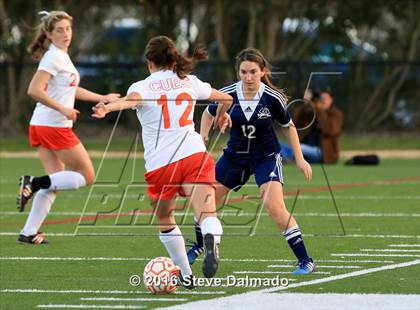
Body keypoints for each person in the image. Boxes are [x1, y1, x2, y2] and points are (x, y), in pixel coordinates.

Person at [91, 36, 233, 283]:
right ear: (172, 59)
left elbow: (129, 101)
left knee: (165, 217)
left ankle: (186, 275)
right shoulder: (189, 81)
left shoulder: (143, 86)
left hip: (161, 165)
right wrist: (221, 118)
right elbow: (226, 98)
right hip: (193, 155)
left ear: (149, 62)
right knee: (206, 213)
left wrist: (107, 107)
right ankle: (211, 241)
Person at [187, 47, 315, 275]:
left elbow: (289, 127)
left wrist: (300, 158)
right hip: (234, 156)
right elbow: (208, 112)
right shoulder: (227, 94)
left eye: (253, 72)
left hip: (265, 157)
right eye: (243, 72)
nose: (248, 77)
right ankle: (199, 246)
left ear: (262, 71)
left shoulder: (272, 98)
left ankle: (306, 261)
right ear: (238, 72)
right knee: (204, 199)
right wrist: (203, 137)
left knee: (274, 207)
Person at [17, 11, 120, 244]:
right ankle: (33, 182)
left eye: (68, 29)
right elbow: (34, 90)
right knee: (87, 175)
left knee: (55, 181)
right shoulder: (53, 58)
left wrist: (100, 97)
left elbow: (70, 90)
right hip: (53, 126)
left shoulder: (61, 56)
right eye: (60, 30)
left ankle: (29, 232)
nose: (66, 33)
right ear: (49, 35)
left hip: (43, 125)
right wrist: (63, 110)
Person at [281, 89, 344, 163]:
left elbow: (330, 130)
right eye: (321, 98)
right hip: (305, 149)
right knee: (279, 144)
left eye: (325, 98)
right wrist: (307, 103)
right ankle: (286, 159)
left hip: (323, 153)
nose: (322, 101)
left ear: (331, 100)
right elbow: (294, 121)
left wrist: (318, 109)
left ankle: (287, 159)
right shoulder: (312, 112)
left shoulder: (336, 114)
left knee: (299, 148)